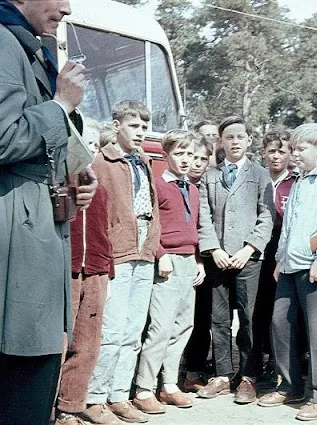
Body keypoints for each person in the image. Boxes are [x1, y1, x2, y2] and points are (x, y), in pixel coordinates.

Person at [0, 1, 98, 424]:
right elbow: (5, 138)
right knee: (24, 371)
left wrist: (74, 169)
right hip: (18, 242)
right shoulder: (4, 42)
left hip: (33, 230)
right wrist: (60, 105)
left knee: (34, 363)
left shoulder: (26, 45)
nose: (67, 7)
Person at [257, 123, 317, 421]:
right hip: (288, 268)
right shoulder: (297, 181)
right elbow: (289, 228)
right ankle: (290, 385)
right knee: (280, 324)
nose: (293, 154)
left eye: (300, 149)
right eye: (293, 149)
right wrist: (279, 260)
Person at [85, 100, 161, 424]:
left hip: (144, 250)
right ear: (116, 126)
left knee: (133, 331)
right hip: (117, 254)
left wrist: (156, 247)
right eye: (134, 125)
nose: (140, 132)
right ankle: (94, 398)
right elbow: (98, 212)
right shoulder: (102, 161)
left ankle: (119, 395)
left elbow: (152, 208)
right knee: (112, 330)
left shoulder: (143, 161)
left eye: (144, 127)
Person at [197, 116, 274, 404]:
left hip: (248, 260)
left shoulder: (260, 174)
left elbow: (266, 216)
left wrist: (249, 249)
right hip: (218, 259)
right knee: (218, 319)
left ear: (249, 140)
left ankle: (248, 377)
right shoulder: (210, 175)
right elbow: (203, 216)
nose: (235, 142)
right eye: (229, 137)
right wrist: (213, 249)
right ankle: (221, 375)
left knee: (249, 318)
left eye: (240, 136)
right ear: (221, 141)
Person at [133, 130, 205, 413]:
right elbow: (151, 225)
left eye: (190, 154)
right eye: (179, 154)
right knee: (160, 327)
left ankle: (169, 385)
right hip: (168, 262)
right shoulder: (157, 186)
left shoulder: (193, 189)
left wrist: (198, 260)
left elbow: (194, 227)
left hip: (189, 262)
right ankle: (143, 388)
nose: (186, 160)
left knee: (183, 326)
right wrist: (161, 255)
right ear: (165, 155)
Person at [55, 137, 113, 425]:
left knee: (88, 342)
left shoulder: (99, 188)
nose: (88, 149)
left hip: (96, 271)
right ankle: (46, 406)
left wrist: (107, 271)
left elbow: (105, 230)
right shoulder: (58, 183)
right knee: (61, 341)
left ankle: (71, 405)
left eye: (93, 143)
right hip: (67, 269)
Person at [250, 128, 296, 384]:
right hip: (258, 251)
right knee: (258, 309)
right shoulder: (257, 179)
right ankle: (255, 362)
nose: (276, 156)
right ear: (263, 154)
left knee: (282, 311)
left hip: (284, 251)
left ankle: (279, 364)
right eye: (271, 151)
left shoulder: (295, 182)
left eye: (282, 151)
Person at [182, 136, 215, 392]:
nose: (197, 163)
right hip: (177, 258)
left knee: (200, 319)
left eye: (203, 158)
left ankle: (193, 371)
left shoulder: (208, 186)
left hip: (203, 262)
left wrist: (201, 259)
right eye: (193, 156)